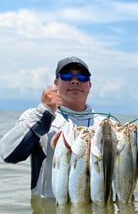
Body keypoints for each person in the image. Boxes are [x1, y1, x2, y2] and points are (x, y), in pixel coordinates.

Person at [0, 56, 104, 199]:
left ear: (90, 85)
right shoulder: (36, 117)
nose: (75, 80)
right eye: (67, 75)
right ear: (56, 83)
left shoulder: (106, 125)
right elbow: (8, 154)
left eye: (82, 76)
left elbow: (137, 170)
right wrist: (44, 112)